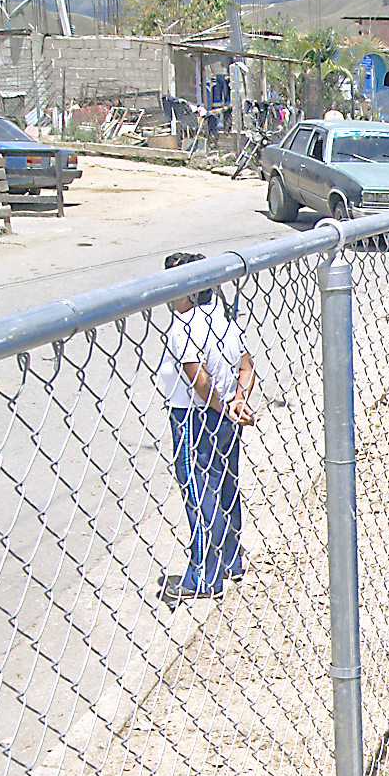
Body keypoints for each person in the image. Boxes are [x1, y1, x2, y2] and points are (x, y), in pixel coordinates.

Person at [157, 251, 255, 603]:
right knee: (226, 483)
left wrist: (221, 406)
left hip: (194, 417)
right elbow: (247, 367)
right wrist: (237, 401)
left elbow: (197, 378)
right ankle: (231, 559)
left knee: (200, 492)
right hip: (228, 414)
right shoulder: (226, 322)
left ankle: (204, 574)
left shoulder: (184, 326)